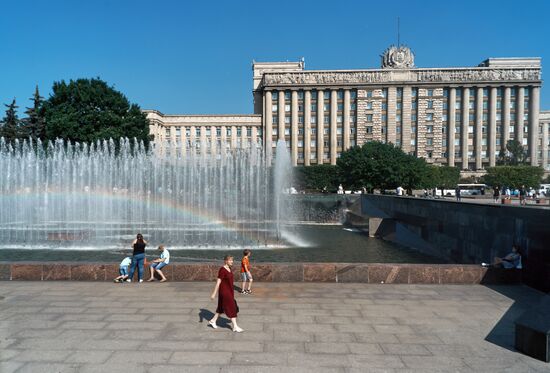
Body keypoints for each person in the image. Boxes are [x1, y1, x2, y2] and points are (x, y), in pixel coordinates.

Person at [208, 255, 243, 332]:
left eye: (232, 260)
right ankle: (235, 326)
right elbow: (218, 282)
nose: (232, 262)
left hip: (229, 291)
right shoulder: (222, 270)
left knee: (221, 307)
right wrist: (214, 293)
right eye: (230, 260)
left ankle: (212, 321)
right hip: (225, 292)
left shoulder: (229, 268)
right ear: (225, 261)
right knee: (232, 307)